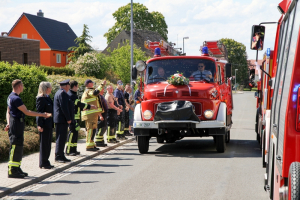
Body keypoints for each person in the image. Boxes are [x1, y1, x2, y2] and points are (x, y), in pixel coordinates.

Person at [5, 79, 51, 178]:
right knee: (15, 146)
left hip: (15, 123)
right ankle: (12, 170)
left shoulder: (10, 97)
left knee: (19, 146)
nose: (23, 87)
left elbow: (8, 112)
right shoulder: (16, 99)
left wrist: (8, 123)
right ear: (19, 87)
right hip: (16, 123)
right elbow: (27, 112)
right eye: (22, 85)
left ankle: (17, 168)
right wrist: (42, 114)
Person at [65, 80, 97, 156]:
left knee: (75, 134)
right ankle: (69, 150)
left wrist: (83, 108)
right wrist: (89, 106)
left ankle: (74, 150)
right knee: (72, 134)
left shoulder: (73, 94)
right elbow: (79, 104)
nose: (78, 88)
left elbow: (77, 106)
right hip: (73, 118)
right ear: (75, 86)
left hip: (76, 117)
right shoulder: (71, 95)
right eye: (77, 86)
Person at [81, 79, 104, 151]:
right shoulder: (88, 91)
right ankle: (88, 146)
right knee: (90, 130)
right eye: (92, 83)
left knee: (93, 130)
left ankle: (92, 144)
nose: (93, 84)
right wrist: (102, 85)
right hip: (89, 114)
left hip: (93, 114)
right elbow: (95, 93)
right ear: (88, 84)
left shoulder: (90, 90)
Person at [53, 79, 73, 163]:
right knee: (61, 138)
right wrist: (68, 118)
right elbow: (64, 107)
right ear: (67, 86)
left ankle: (61, 155)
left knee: (62, 138)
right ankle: (58, 156)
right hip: (62, 119)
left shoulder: (60, 92)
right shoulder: (62, 93)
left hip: (61, 119)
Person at [36, 82, 54, 169]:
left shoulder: (47, 97)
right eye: (50, 87)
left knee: (48, 144)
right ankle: (43, 162)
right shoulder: (41, 98)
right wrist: (39, 125)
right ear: (46, 88)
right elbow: (39, 112)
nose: (51, 89)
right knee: (44, 144)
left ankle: (46, 160)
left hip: (49, 123)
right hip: (44, 124)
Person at [95, 82, 109, 147]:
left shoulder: (101, 96)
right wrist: (100, 115)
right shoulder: (98, 97)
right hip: (101, 115)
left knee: (103, 128)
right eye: (102, 89)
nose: (103, 90)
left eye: (103, 89)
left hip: (104, 114)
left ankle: (101, 141)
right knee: (100, 128)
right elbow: (98, 107)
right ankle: (98, 142)